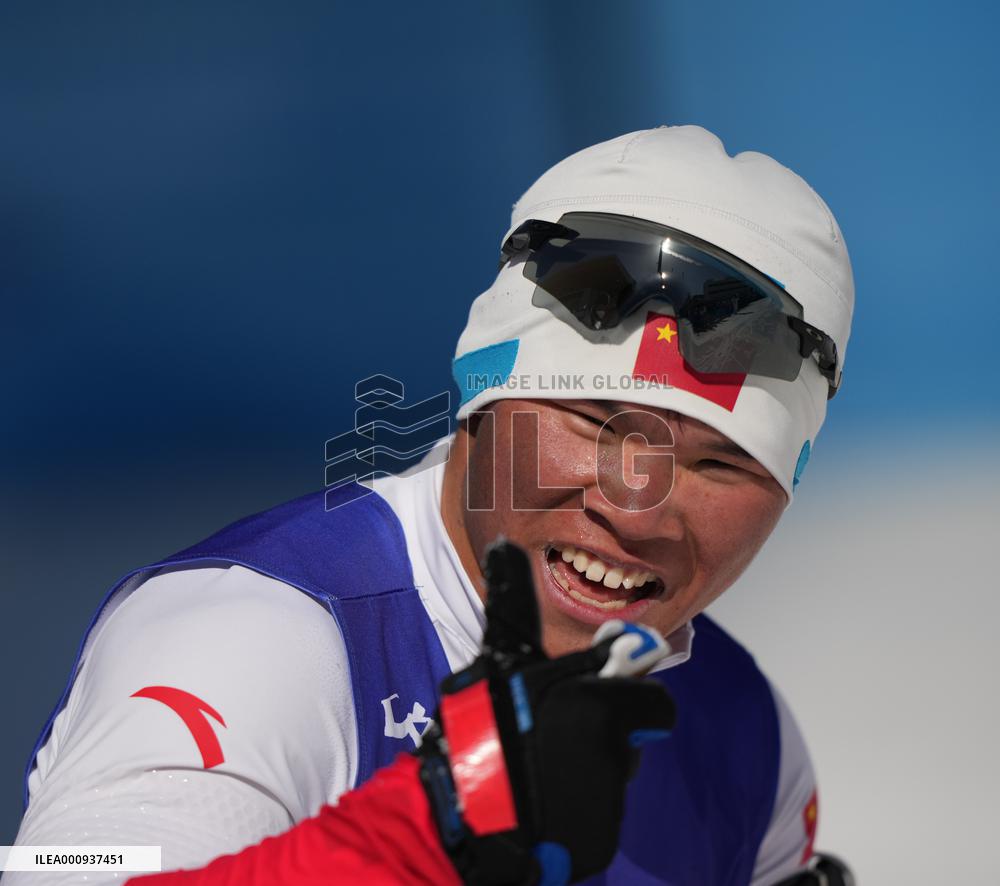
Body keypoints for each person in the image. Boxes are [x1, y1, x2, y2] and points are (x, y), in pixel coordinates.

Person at [7, 125, 855, 885]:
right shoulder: (245, 635)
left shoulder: (743, 730)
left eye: (717, 465)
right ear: (481, 396)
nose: (637, 512)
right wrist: (434, 829)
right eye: (595, 425)